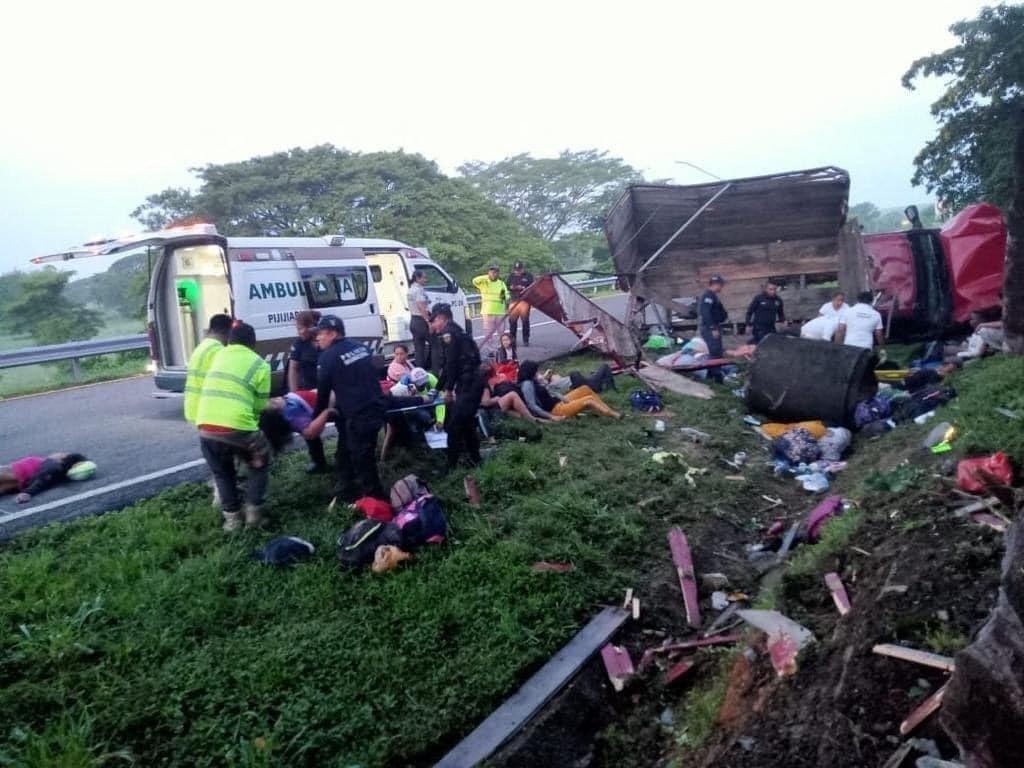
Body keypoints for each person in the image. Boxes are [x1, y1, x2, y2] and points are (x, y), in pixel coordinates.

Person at [195, 321, 272, 531]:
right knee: (260, 462)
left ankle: (232, 520)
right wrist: (253, 433)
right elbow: (259, 405)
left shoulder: (218, 356)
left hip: (205, 426)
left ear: (229, 340)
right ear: (253, 343)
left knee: (222, 473)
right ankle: (254, 513)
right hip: (238, 427)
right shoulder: (260, 365)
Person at [305, 315, 387, 501]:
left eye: (321, 334)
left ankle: (378, 503)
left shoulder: (327, 358)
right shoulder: (361, 347)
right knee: (345, 452)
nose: (317, 338)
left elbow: (323, 395)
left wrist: (316, 419)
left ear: (333, 334)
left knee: (362, 460)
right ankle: (346, 489)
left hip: (359, 415)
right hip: (374, 408)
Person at [430, 302, 485, 470]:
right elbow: (448, 366)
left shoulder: (448, 334)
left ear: (441, 318)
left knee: (453, 426)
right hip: (472, 382)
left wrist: (447, 390)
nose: (433, 325)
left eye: (434, 321)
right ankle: (476, 460)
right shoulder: (457, 330)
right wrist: (437, 389)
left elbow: (451, 364)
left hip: (469, 384)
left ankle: (450, 467)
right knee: (467, 424)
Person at [288, 310, 327, 472]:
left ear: (312, 327)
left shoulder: (324, 340)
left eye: (302, 328)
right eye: (297, 329)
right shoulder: (298, 344)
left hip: (328, 389)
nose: (300, 332)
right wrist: (294, 394)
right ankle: (318, 461)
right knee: (308, 426)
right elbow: (293, 369)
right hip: (308, 392)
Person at [517, 360, 621, 421]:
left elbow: (552, 392)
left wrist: (565, 399)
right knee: (589, 399)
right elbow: (532, 406)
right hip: (556, 410)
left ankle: (602, 409)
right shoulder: (527, 385)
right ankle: (614, 414)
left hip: (559, 402)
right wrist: (551, 417)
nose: (537, 373)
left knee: (584, 389)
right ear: (530, 372)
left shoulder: (534, 381)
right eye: (535, 371)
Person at [183, 313, 233, 424]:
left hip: (193, 409)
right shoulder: (218, 351)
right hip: (208, 412)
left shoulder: (201, 347)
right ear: (227, 332)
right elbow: (225, 385)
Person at [1, 452, 89, 504]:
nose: (58, 453)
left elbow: (43, 478)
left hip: (22, 472)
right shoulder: (55, 468)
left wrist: (28, 493)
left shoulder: (54, 466)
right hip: (22, 475)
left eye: (62, 453)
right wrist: (27, 492)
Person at [699, 274, 728, 382]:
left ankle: (711, 376)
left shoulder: (713, 296)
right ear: (716, 284)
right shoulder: (708, 296)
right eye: (721, 285)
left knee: (717, 351)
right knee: (714, 351)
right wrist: (712, 328)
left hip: (714, 326)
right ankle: (717, 377)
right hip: (710, 328)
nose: (722, 288)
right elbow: (705, 313)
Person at [472, 265, 509, 347]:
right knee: (488, 333)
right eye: (491, 272)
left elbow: (505, 296)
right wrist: (486, 277)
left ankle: (502, 348)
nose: (493, 274)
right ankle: (490, 350)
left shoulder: (501, 283)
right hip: (488, 311)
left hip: (499, 311)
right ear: (488, 272)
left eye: (495, 272)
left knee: (502, 332)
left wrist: (502, 298)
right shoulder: (484, 282)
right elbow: (474, 281)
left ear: (498, 273)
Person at [407, 269, 432, 367]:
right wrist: (428, 322)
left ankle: (419, 371)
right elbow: (421, 306)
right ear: (417, 278)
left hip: (413, 320)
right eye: (424, 277)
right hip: (421, 320)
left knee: (419, 349)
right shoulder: (418, 290)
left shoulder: (411, 289)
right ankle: (435, 369)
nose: (426, 279)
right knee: (435, 344)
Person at [507, 261, 534, 347]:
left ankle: (525, 339)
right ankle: (512, 339)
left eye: (519, 270)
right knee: (512, 321)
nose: (517, 272)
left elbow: (533, 287)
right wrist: (511, 287)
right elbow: (507, 286)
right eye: (516, 270)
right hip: (514, 300)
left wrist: (523, 288)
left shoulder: (528, 276)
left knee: (525, 321)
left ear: (523, 269)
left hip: (524, 301)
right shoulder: (511, 276)